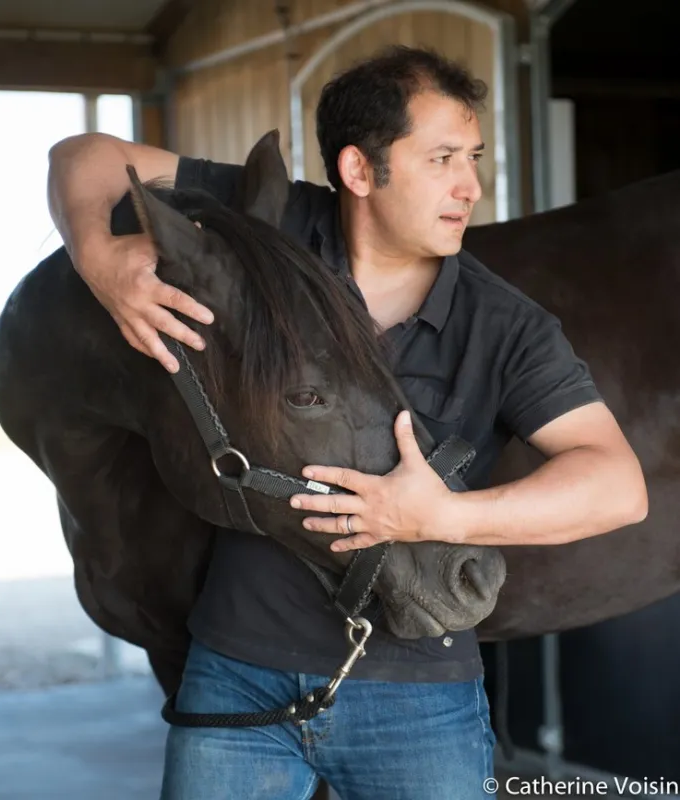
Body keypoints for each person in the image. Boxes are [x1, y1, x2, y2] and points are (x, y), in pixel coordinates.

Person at [47, 46, 647, 800]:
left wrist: (445, 515)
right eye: (441, 159)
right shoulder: (277, 228)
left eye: (473, 157)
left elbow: (618, 486)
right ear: (360, 172)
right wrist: (100, 259)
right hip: (234, 672)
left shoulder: (505, 326)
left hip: (419, 699)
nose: (471, 186)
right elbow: (84, 153)